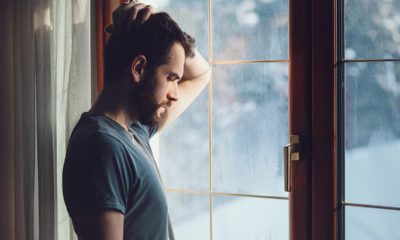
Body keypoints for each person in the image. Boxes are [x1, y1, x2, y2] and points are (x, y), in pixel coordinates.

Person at [62, 2, 210, 239]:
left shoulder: (135, 130)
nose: (174, 93)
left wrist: (167, 30)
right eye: (171, 77)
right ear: (139, 67)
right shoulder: (101, 147)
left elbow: (201, 74)